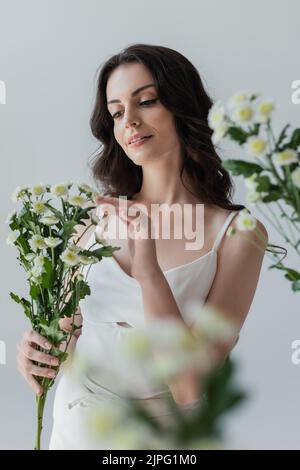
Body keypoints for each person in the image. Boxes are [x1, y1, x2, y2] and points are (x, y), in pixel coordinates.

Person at [16, 44, 268, 449]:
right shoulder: (89, 220)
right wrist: (36, 352)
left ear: (182, 107)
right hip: (75, 433)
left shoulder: (239, 233)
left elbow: (189, 385)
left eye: (146, 101)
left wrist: (147, 268)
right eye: (117, 112)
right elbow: (68, 341)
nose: (129, 121)